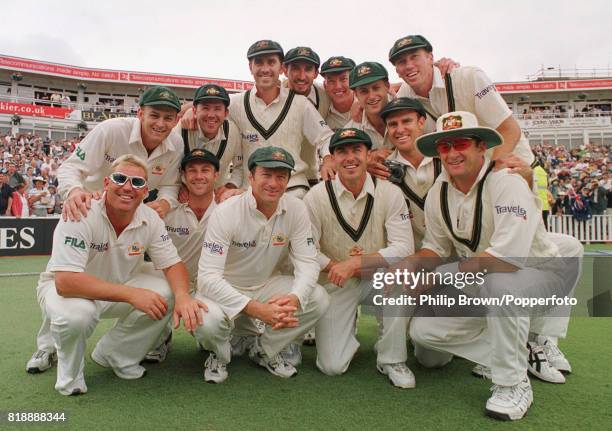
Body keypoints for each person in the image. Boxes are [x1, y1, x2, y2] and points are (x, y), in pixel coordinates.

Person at [403, 111, 580, 420]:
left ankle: (512, 382)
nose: (452, 153)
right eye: (444, 147)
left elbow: (506, 262)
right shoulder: (438, 193)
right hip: (482, 278)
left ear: (481, 146)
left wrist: (441, 275)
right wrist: (411, 265)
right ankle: (516, 348)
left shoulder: (507, 181)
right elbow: (436, 247)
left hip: (536, 275)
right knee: (423, 332)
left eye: (461, 143)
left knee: (500, 286)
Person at [34, 154, 207, 395]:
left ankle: (116, 355)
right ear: (106, 183)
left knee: (168, 291)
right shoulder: (81, 211)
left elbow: (172, 264)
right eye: (120, 178)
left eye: (137, 183)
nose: (128, 187)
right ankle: (70, 378)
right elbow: (66, 282)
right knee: (77, 315)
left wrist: (183, 296)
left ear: (146, 191)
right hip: (67, 292)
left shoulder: (150, 218)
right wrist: (131, 294)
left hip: (115, 287)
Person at [193, 146, 329, 383]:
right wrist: (256, 309)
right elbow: (207, 278)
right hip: (223, 288)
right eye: (266, 175)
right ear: (251, 177)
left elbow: (308, 262)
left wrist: (295, 298)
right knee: (206, 321)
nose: (273, 183)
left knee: (317, 298)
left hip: (265, 285)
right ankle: (220, 354)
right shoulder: (226, 212)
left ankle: (265, 349)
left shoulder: (296, 209)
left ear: (288, 181)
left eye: (281, 177)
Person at [304, 128, 415, 388]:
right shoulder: (317, 196)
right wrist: (335, 266)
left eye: (357, 150)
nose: (350, 157)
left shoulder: (390, 192)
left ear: (368, 155)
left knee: (398, 280)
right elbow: (306, 249)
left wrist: (356, 263)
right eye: (342, 151)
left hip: (377, 276)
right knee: (331, 367)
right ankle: (344, 330)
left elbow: (404, 246)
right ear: (333, 157)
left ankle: (392, 358)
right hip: (336, 280)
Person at [389, 35, 533, 164]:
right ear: (397, 71)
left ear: (430, 58)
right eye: (401, 62)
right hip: (467, 175)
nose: (409, 65)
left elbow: (510, 130)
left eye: (415, 57)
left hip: (513, 165)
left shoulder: (469, 77)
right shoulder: (404, 97)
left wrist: (488, 178)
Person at [57, 86, 184, 222]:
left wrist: (164, 203)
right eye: (154, 115)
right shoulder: (111, 130)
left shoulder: (176, 143)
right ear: (140, 114)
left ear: (176, 121)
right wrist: (74, 191)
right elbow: (71, 167)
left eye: (168, 118)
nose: (160, 124)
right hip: (89, 209)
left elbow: (170, 184)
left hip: (132, 217)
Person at [228, 40, 335, 196]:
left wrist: (327, 158)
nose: (265, 69)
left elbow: (325, 137)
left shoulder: (300, 103)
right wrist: (191, 111)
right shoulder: (236, 103)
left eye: (271, 62)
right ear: (250, 67)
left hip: (292, 188)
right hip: (250, 190)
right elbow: (207, 107)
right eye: (259, 63)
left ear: (281, 68)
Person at [144, 148, 220, 363]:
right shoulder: (166, 208)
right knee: (151, 292)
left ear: (216, 176)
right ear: (183, 177)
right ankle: (160, 336)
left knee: (212, 330)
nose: (198, 176)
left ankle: (220, 339)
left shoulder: (228, 208)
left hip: (210, 284)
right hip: (171, 281)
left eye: (205, 170)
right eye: (192, 170)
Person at [379, 97, 441, 249]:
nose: (400, 130)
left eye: (406, 121)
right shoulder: (382, 171)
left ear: (421, 122)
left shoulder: (446, 159)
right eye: (393, 124)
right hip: (413, 260)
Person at [180, 84, 243, 197]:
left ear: (226, 113)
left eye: (217, 109)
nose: (211, 115)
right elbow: (170, 166)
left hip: (218, 196)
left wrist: (231, 186)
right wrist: (178, 186)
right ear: (194, 111)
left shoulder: (233, 131)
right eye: (205, 108)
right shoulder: (181, 129)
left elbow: (240, 165)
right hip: (184, 196)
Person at [320, 56, 356, 131]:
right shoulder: (321, 112)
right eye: (331, 81)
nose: (338, 86)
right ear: (325, 85)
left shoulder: (367, 106)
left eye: (343, 79)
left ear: (354, 81)